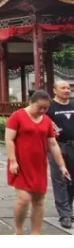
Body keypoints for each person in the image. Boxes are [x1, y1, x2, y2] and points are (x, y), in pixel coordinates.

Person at [6, 90, 69, 235]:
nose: (42, 111)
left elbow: (53, 144)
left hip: (38, 165)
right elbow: (9, 140)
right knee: (23, 199)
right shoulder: (17, 116)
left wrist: (62, 165)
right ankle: (18, 231)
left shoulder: (46, 120)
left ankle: (36, 233)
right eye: (39, 107)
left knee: (39, 200)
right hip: (21, 164)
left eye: (45, 108)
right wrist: (13, 161)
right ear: (31, 102)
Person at [46, 81, 74, 229]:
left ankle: (68, 208)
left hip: (72, 146)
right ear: (55, 90)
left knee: (72, 180)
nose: (67, 90)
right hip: (57, 146)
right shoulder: (49, 107)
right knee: (60, 179)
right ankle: (65, 214)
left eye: (68, 88)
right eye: (63, 88)